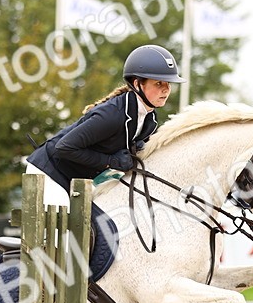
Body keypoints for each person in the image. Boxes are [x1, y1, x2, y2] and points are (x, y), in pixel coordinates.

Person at [26, 44, 185, 207]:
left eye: (169, 84)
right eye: (159, 83)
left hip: (79, 179)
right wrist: (110, 161)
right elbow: (64, 148)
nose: (166, 90)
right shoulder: (112, 115)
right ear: (137, 84)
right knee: (66, 229)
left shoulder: (149, 118)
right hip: (50, 172)